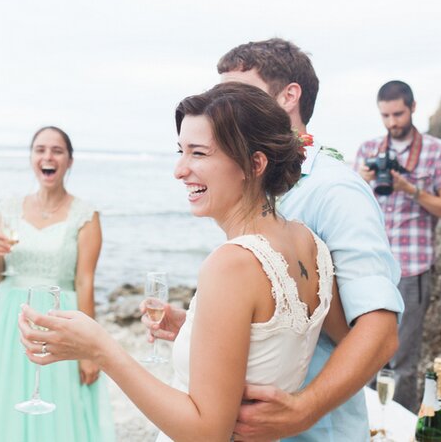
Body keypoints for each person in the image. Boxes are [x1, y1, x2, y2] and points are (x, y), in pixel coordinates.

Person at [19, 84, 348, 442]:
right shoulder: (308, 243)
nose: (179, 170)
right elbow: (309, 342)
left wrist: (101, 350)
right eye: (181, 151)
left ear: (254, 164)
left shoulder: (232, 265)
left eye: (198, 153)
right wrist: (193, 329)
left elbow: (207, 432)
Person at [146, 38, 405, 442]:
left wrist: (305, 408)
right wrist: (205, 329)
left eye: (237, 92)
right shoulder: (262, 196)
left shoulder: (335, 190)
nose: (224, 105)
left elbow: (379, 332)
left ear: (289, 96)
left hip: (314, 430)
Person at [0, 126, 113, 442]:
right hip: (10, 317)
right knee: (5, 397)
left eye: (57, 150)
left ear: (69, 161)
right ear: (31, 158)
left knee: (60, 400)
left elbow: (84, 281)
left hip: (59, 317)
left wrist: (89, 351)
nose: (48, 156)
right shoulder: (9, 209)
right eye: (40, 149)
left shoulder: (86, 215)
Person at [354, 80, 441, 412]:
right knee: (365, 355)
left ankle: (399, 429)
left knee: (403, 362)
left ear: (413, 108)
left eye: (398, 114)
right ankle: (368, 425)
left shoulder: (437, 151)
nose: (392, 122)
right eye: (385, 115)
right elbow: (349, 209)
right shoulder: (369, 150)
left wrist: (409, 188)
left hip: (413, 270)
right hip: (371, 269)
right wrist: (359, 182)